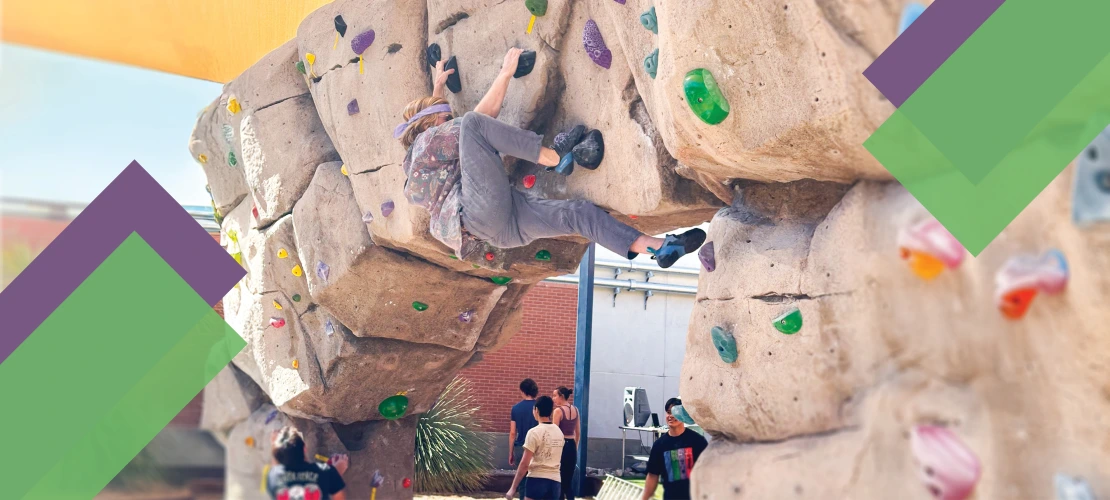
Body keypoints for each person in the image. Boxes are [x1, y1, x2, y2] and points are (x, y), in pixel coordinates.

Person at [395, 47, 706, 269]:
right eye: (444, 115)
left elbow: (443, 127)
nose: (449, 119)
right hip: (481, 213)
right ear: (427, 125)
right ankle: (554, 157)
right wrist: (505, 74)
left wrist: (438, 87)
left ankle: (660, 248)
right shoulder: (426, 142)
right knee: (474, 125)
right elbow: (476, 121)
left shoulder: (424, 160)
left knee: (579, 214)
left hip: (499, 231)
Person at [640, 398, 708, 500]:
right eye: (668, 412)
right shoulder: (659, 445)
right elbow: (652, 475)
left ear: (683, 415)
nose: (671, 416)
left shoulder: (697, 441)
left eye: (675, 412)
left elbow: (708, 472)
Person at [266, 426, 350, 500]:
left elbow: (276, 468)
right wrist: (335, 473)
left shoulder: (272, 477)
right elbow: (339, 497)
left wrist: (275, 443)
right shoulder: (325, 471)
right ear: (304, 448)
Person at [506, 396, 566, 500]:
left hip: (536, 479)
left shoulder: (533, 432)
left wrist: (513, 488)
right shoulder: (559, 432)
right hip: (555, 481)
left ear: (536, 410)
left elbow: (524, 464)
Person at [510, 378, 541, 499]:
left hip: (520, 447)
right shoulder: (540, 407)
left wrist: (511, 452)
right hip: (537, 448)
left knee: (522, 480)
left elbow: (513, 432)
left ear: (522, 391)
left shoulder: (516, 408)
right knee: (536, 479)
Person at [551, 386, 580, 500]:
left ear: (561, 396)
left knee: (559, 480)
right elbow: (578, 432)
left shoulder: (558, 411)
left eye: (555, 396)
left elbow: (555, 433)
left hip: (561, 446)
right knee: (568, 481)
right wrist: (575, 447)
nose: (553, 399)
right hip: (572, 445)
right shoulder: (575, 410)